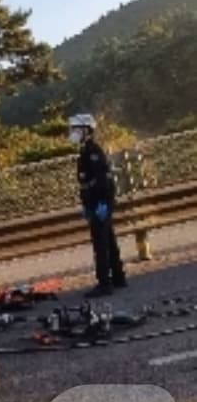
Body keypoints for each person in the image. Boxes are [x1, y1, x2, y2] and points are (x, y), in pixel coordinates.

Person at [70, 114, 128, 297]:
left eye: (76, 129)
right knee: (108, 239)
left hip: (100, 201)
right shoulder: (86, 150)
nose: (72, 133)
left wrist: (101, 203)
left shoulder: (93, 151)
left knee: (100, 243)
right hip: (95, 202)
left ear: (86, 130)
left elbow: (102, 180)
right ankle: (118, 277)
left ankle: (104, 283)